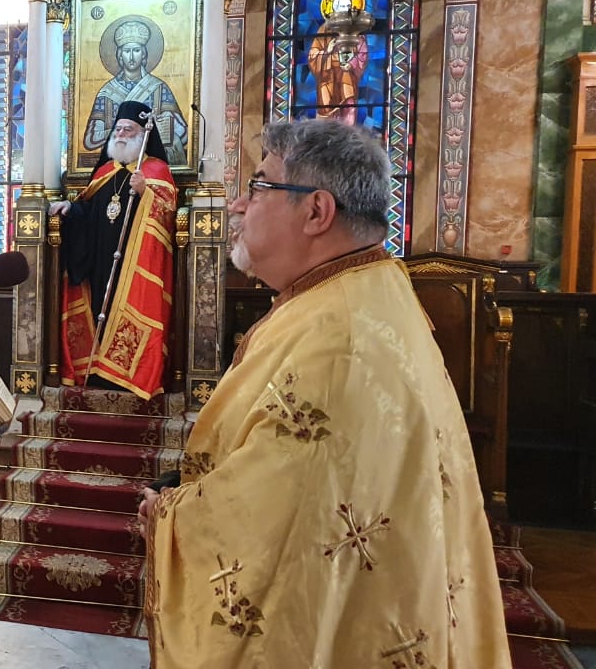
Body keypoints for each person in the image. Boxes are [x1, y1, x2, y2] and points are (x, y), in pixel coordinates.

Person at [137, 119, 509, 667]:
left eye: (259, 186)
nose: (238, 205)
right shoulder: (357, 293)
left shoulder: (342, 337)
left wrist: (171, 514)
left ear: (316, 211)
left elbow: (285, 505)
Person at [51, 100, 178, 399]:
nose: (120, 134)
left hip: (135, 263)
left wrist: (145, 191)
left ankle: (125, 374)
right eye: (118, 129)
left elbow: (168, 214)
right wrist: (71, 208)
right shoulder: (105, 171)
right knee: (98, 306)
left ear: (142, 136)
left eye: (128, 130)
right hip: (100, 259)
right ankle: (96, 367)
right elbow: (90, 210)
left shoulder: (155, 170)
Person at [83, 18, 188, 165]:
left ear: (143, 54)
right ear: (120, 55)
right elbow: (90, 140)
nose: (131, 57)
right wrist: (124, 131)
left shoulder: (159, 88)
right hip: (116, 165)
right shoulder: (106, 93)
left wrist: (164, 128)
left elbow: (184, 134)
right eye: (127, 51)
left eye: (136, 50)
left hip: (150, 165)